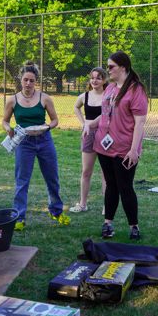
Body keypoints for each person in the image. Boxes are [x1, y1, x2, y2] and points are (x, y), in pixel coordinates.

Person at [84, 51, 148, 241]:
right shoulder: (111, 88)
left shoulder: (136, 91)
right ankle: (108, 223)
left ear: (123, 67)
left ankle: (133, 226)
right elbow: (104, 114)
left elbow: (140, 123)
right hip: (104, 147)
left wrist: (134, 150)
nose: (108, 70)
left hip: (125, 149)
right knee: (111, 185)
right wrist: (90, 124)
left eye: (111, 66)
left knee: (125, 187)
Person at [2, 62, 70, 231]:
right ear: (20, 80)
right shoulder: (13, 100)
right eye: (25, 80)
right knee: (22, 180)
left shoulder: (44, 98)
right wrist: (8, 128)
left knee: (52, 177)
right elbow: (4, 120)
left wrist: (46, 127)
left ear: (36, 81)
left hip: (44, 140)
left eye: (32, 81)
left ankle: (56, 211)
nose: (28, 84)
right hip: (24, 143)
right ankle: (19, 216)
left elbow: (55, 120)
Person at [69, 67, 108, 213]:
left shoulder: (108, 95)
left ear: (104, 80)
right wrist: (83, 123)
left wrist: (90, 124)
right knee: (86, 171)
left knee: (106, 172)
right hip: (88, 134)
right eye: (92, 77)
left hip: (105, 135)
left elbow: (106, 114)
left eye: (98, 78)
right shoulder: (84, 96)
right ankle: (83, 204)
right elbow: (76, 107)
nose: (94, 80)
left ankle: (107, 205)